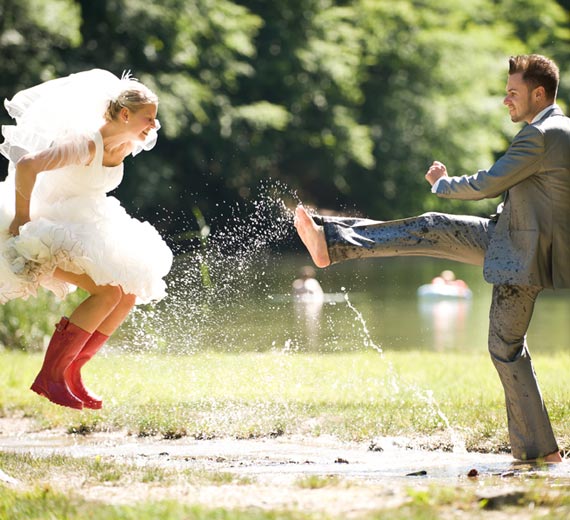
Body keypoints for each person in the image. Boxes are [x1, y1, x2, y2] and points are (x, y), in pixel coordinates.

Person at [294, 54, 568, 463]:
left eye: (513, 93)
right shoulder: (559, 130)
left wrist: (443, 182)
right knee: (432, 227)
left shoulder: (541, 134)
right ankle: (332, 244)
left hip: (521, 252)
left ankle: (540, 452)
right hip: (511, 239)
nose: (505, 100)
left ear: (539, 93)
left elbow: (491, 181)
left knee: (505, 347)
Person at [0, 69, 173, 410]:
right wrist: (22, 219)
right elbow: (27, 166)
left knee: (127, 292)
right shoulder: (84, 145)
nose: (154, 126)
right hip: (47, 227)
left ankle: (74, 371)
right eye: (148, 118)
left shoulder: (125, 144)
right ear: (125, 114)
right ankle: (52, 375)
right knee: (107, 291)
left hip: (87, 220)